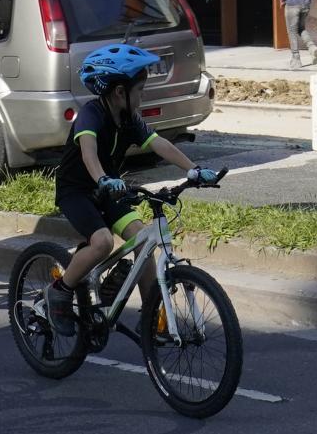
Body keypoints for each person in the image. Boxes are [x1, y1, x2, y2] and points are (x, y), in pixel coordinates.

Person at [45, 44, 219, 336]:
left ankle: (149, 314)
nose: (143, 95)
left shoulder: (129, 120)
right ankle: (60, 292)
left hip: (109, 191)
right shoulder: (91, 114)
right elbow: (88, 152)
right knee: (102, 242)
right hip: (77, 191)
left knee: (142, 240)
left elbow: (159, 144)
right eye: (139, 89)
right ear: (119, 92)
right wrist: (102, 178)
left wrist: (193, 170)